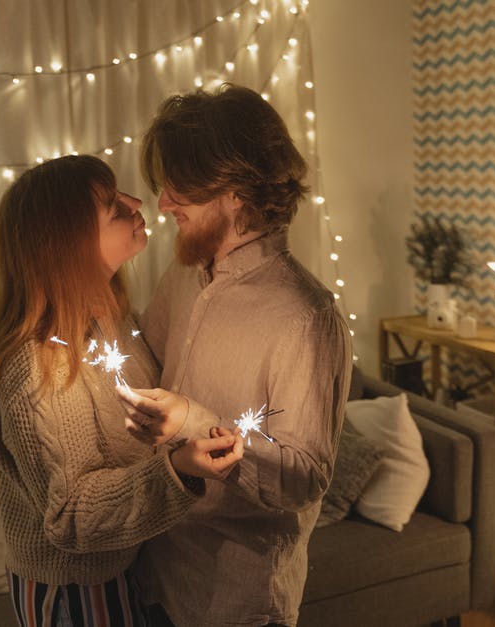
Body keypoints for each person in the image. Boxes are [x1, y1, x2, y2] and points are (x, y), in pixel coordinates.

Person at [118, 84, 354, 627]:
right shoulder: (182, 273)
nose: (163, 203)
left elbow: (302, 478)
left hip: (237, 604)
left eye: (178, 187)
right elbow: (145, 362)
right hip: (157, 576)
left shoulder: (305, 317)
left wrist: (193, 424)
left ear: (234, 191)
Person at [0, 155, 244, 627]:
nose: (137, 203)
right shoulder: (39, 367)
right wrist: (179, 470)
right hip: (75, 590)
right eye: (113, 206)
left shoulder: (112, 320)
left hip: (127, 567)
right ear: (69, 243)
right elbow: (71, 515)